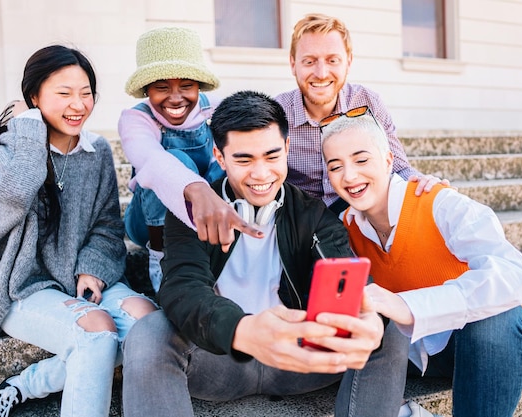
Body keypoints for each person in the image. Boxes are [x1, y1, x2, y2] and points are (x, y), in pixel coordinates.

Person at [121, 91, 384, 417]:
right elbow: (181, 289)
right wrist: (243, 330)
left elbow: (344, 275)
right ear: (219, 157)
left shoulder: (311, 213)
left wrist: (366, 316)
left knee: (384, 325)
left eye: (272, 156)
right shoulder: (191, 212)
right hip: (220, 358)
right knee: (149, 332)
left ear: (288, 149)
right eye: (244, 160)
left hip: (300, 357)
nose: (261, 174)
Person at [0, 45, 156, 417]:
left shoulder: (97, 150)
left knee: (149, 323)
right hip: (24, 288)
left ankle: (20, 386)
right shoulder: (1, 155)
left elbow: (108, 224)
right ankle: (23, 388)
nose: (78, 104)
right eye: (63, 94)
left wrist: (93, 268)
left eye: (85, 93)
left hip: (86, 280)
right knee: (96, 332)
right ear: (34, 97)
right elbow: (21, 186)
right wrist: (28, 126)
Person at [321, 107, 522, 417]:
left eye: (361, 160)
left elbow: (515, 276)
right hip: (415, 356)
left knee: (494, 317)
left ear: (388, 160)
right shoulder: (341, 229)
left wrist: (408, 305)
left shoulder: (440, 202)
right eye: (335, 166)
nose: (349, 176)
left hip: (485, 347)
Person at [119, 26, 260, 291]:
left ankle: (230, 249)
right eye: (162, 87)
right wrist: (197, 190)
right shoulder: (136, 118)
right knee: (174, 159)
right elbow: (150, 160)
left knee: (227, 158)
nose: (175, 98)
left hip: (208, 212)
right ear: (147, 89)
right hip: (149, 222)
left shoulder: (215, 109)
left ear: (198, 85)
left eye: (186, 86)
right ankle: (161, 263)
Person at [275, 13, 444, 214]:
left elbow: (398, 168)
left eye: (332, 60)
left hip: (358, 213)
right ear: (293, 64)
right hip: (301, 220)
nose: (321, 73)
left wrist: (426, 185)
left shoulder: (368, 103)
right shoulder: (277, 114)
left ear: (349, 61)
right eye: (309, 62)